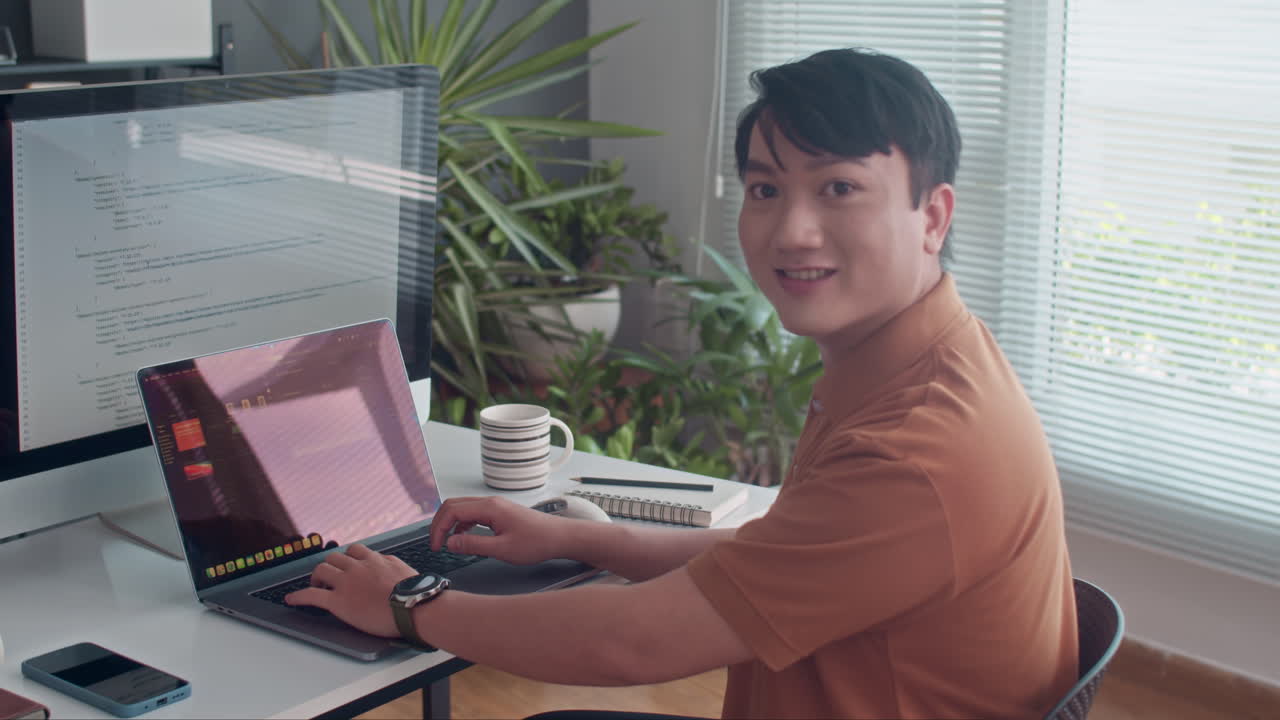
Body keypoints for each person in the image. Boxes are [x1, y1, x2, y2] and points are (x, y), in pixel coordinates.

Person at [287, 47, 1078, 719]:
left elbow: (634, 642)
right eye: (766, 189)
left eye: (838, 187)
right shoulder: (923, 362)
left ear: (933, 216)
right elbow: (778, 559)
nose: (792, 230)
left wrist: (410, 605)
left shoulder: (916, 447)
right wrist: (581, 539)